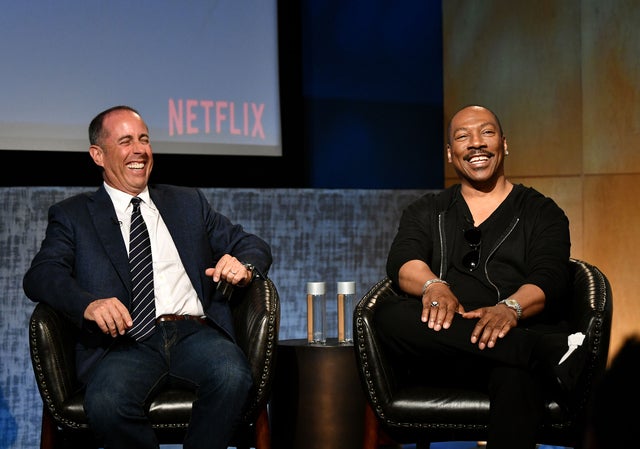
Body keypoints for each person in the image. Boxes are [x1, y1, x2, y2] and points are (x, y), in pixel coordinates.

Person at [23, 105, 273, 449]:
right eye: (125, 141)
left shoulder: (187, 202)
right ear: (98, 155)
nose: (139, 150)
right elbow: (41, 274)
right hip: (125, 342)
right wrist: (89, 304)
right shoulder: (73, 216)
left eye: (144, 139)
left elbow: (249, 244)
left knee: (232, 377)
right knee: (107, 402)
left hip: (193, 333)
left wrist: (242, 264)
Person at [373, 104, 586, 449]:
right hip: (445, 347)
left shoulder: (542, 212)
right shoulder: (426, 210)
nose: (476, 144)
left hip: (512, 335)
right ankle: (540, 351)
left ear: (504, 144)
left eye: (486, 133)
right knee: (387, 315)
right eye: (463, 136)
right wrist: (434, 286)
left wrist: (510, 309)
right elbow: (403, 260)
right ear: (449, 153)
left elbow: (550, 277)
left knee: (517, 375)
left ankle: (522, 349)